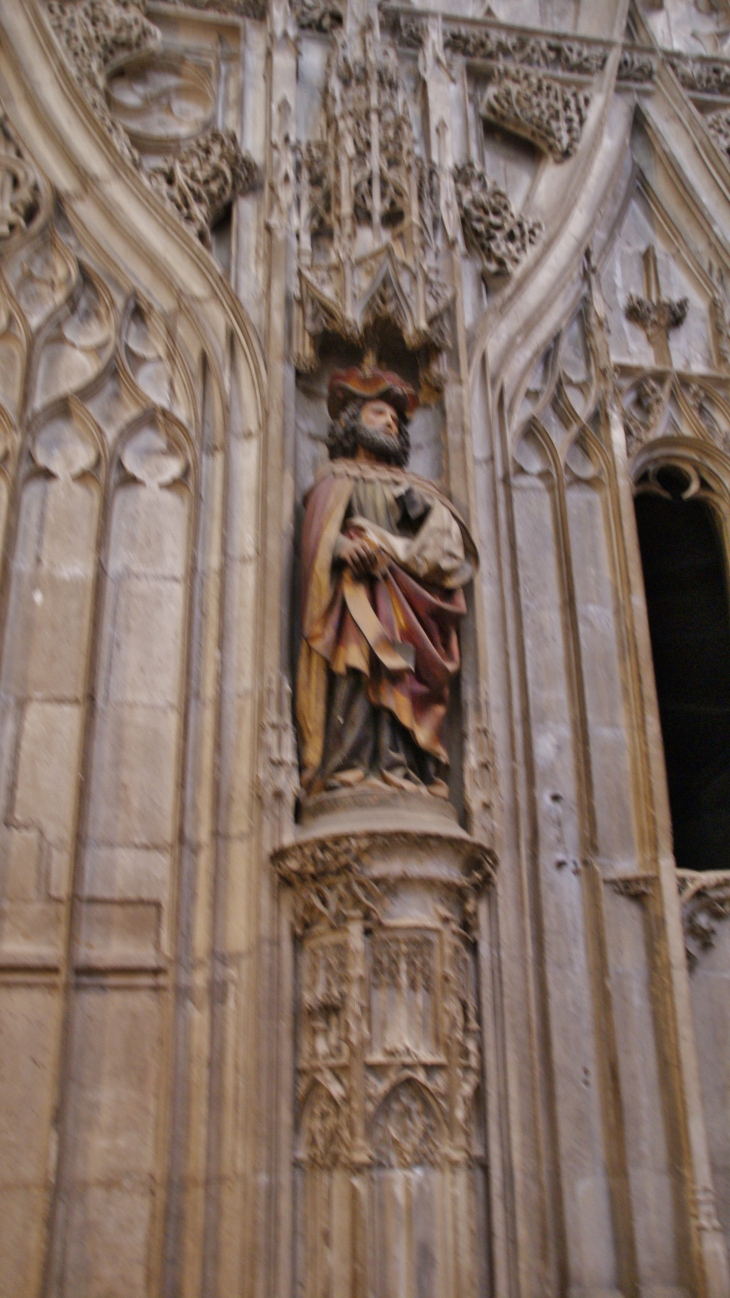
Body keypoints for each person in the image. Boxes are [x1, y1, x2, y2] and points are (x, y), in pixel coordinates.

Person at [297, 364, 477, 799]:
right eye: (379, 413)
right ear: (351, 422)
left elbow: (433, 544)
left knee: (404, 676)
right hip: (355, 606)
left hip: (406, 611)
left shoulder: (410, 489)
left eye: (395, 418)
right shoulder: (335, 480)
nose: (390, 421)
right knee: (356, 677)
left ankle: (404, 768)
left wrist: (408, 543)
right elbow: (317, 538)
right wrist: (343, 549)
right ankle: (348, 766)